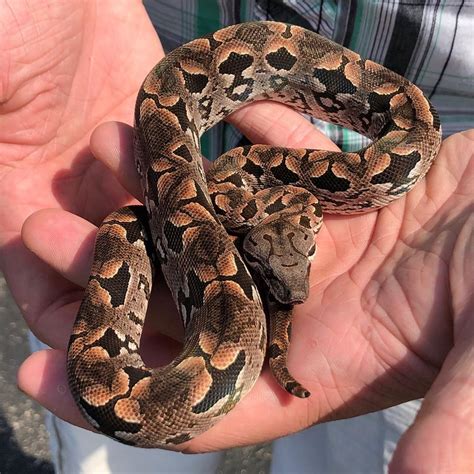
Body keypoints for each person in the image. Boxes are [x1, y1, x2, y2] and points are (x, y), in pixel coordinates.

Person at [0, 1, 472, 473]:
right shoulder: (274, 203)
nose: (297, 290)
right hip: (133, 55)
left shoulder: (295, 198)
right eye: (270, 267)